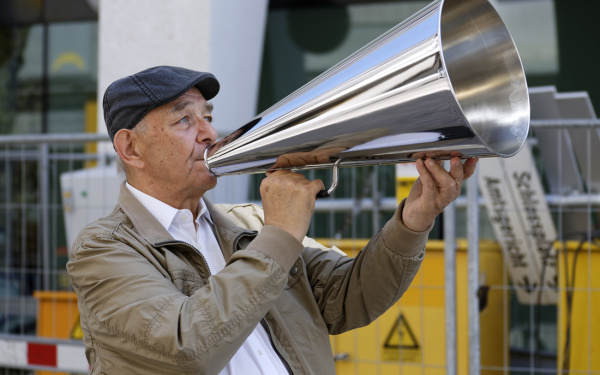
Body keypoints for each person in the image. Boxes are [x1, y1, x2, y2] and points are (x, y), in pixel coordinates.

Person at [67, 65, 478, 375]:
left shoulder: (248, 222)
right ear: (131, 149)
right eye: (184, 120)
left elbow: (350, 298)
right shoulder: (103, 248)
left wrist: (415, 218)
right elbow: (185, 346)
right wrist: (279, 234)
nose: (209, 133)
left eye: (207, 116)